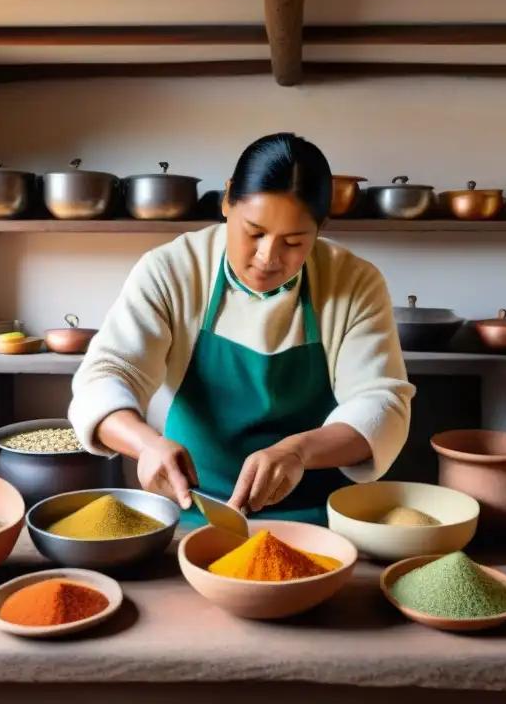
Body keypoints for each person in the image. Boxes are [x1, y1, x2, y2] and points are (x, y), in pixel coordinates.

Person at [69, 133, 415, 527]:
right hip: (193, 511)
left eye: (294, 242)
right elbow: (106, 377)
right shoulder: (172, 270)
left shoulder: (353, 282)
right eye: (254, 232)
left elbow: (382, 404)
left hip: (320, 520)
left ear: (321, 228)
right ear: (227, 198)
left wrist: (298, 452)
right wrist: (145, 445)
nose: (268, 257)